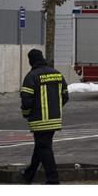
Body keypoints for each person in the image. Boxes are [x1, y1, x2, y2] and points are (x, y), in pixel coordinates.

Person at [20, 48, 69, 184]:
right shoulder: (57, 74)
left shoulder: (31, 76)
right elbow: (65, 95)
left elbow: (26, 100)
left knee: (44, 148)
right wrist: (55, 108)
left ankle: (53, 179)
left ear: (31, 61)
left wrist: (26, 114)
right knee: (41, 147)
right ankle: (29, 175)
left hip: (39, 120)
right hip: (54, 119)